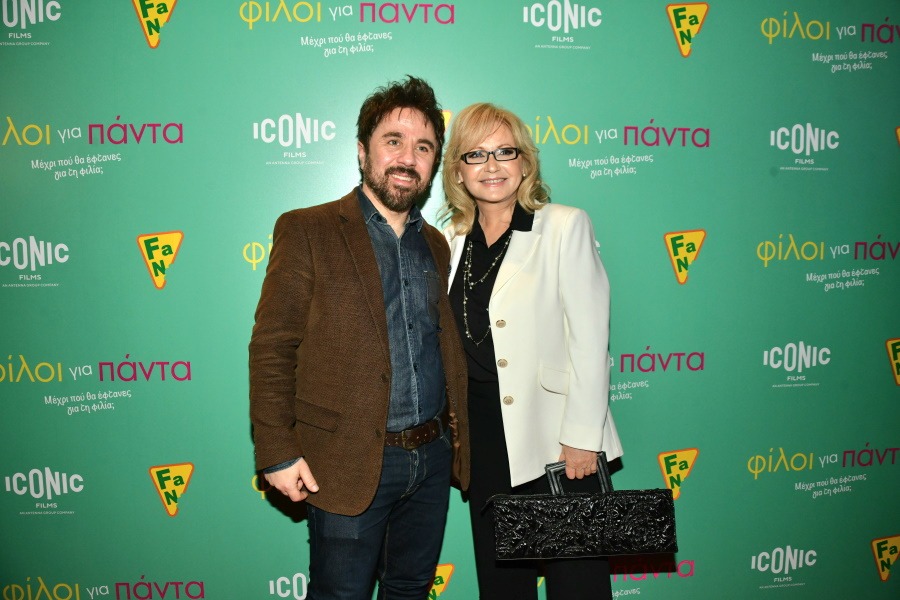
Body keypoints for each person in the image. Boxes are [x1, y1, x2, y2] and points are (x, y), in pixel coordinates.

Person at [249, 76, 469, 600]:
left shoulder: (436, 244)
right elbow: (273, 346)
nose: (407, 158)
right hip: (346, 459)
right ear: (362, 150)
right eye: (393, 141)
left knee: (410, 590)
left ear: (434, 162)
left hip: (431, 458)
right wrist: (277, 451)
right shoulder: (308, 229)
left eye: (423, 147)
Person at [440, 102, 623, 600]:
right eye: (475, 154)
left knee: (577, 586)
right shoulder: (450, 242)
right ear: (457, 170)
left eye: (505, 151)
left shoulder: (563, 226)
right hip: (482, 442)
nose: (491, 165)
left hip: (557, 443)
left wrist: (582, 438)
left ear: (525, 162)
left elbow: (591, 339)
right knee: (503, 586)